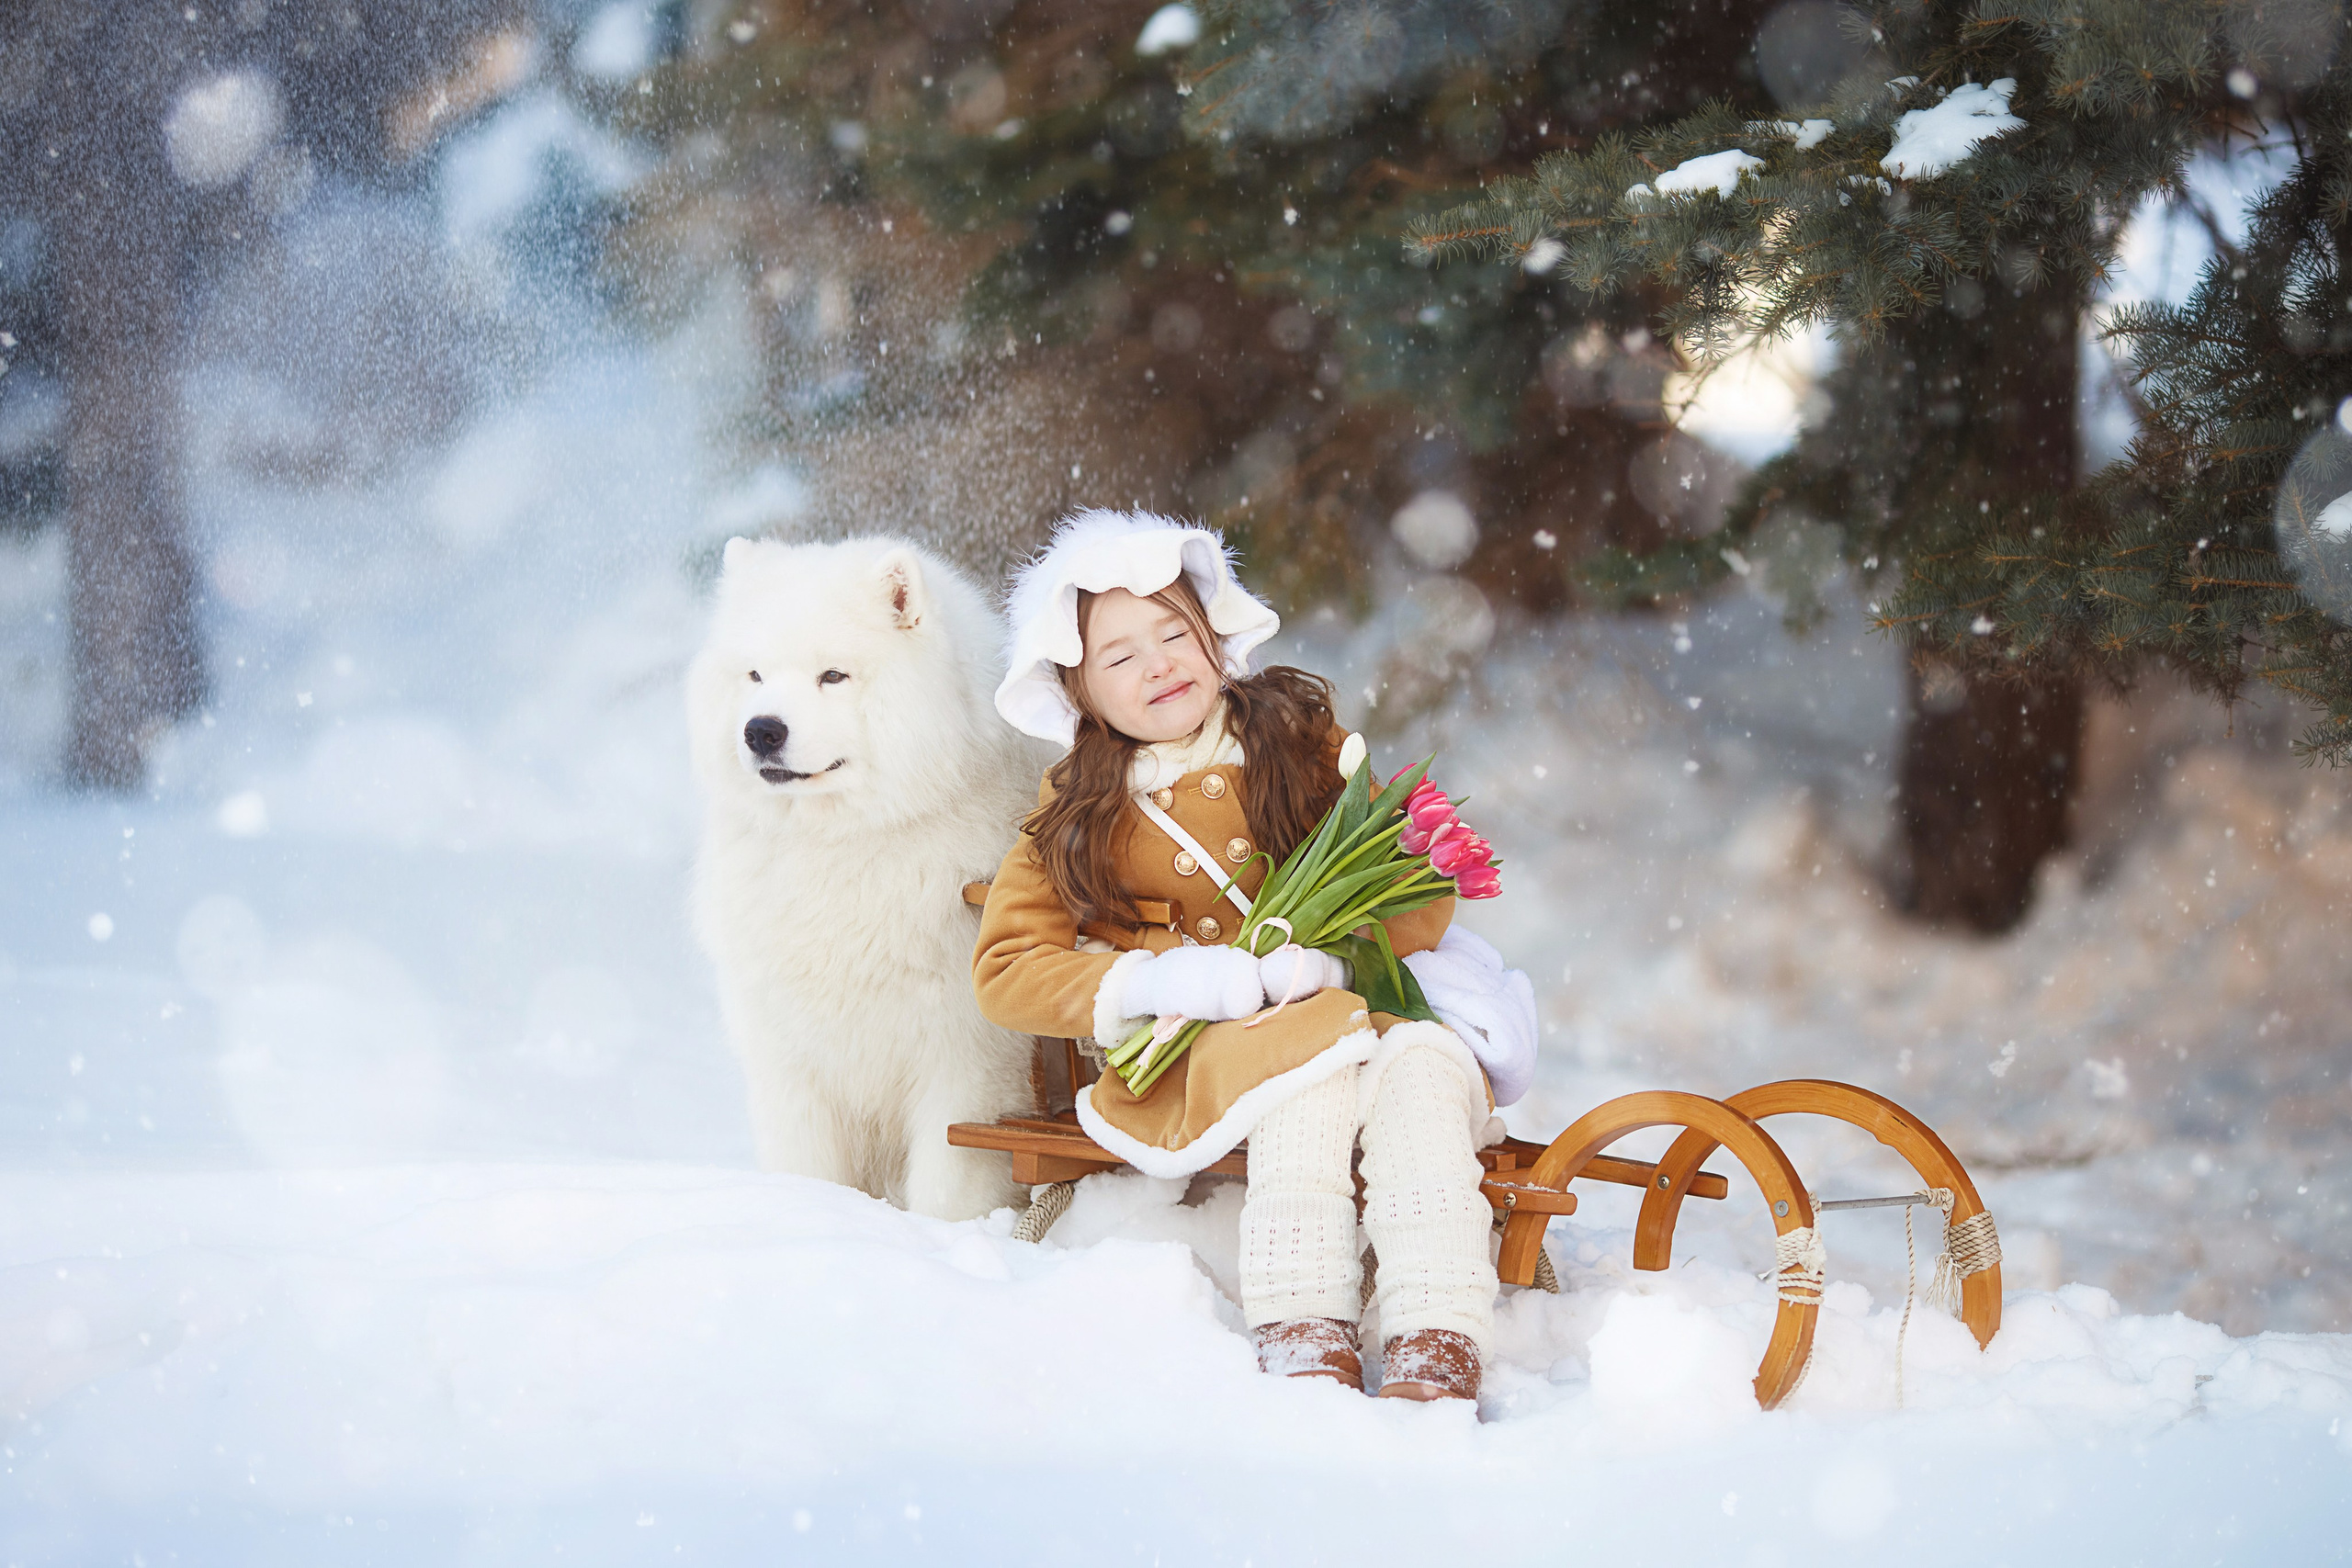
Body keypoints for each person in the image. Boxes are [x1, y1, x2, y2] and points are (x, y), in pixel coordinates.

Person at [972, 509, 1536, 1404]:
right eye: (1119, 657)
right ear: (1077, 692)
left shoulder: (1295, 742)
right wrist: (1167, 980)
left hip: (1347, 999)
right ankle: (1302, 1327)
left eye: (1173, 633)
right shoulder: (1078, 808)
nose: (1157, 662)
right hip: (1210, 1045)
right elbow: (1007, 967)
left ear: (1213, 635)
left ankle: (1438, 1330)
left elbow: (1417, 879)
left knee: (1426, 1062)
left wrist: (1344, 960)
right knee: (1299, 1073)